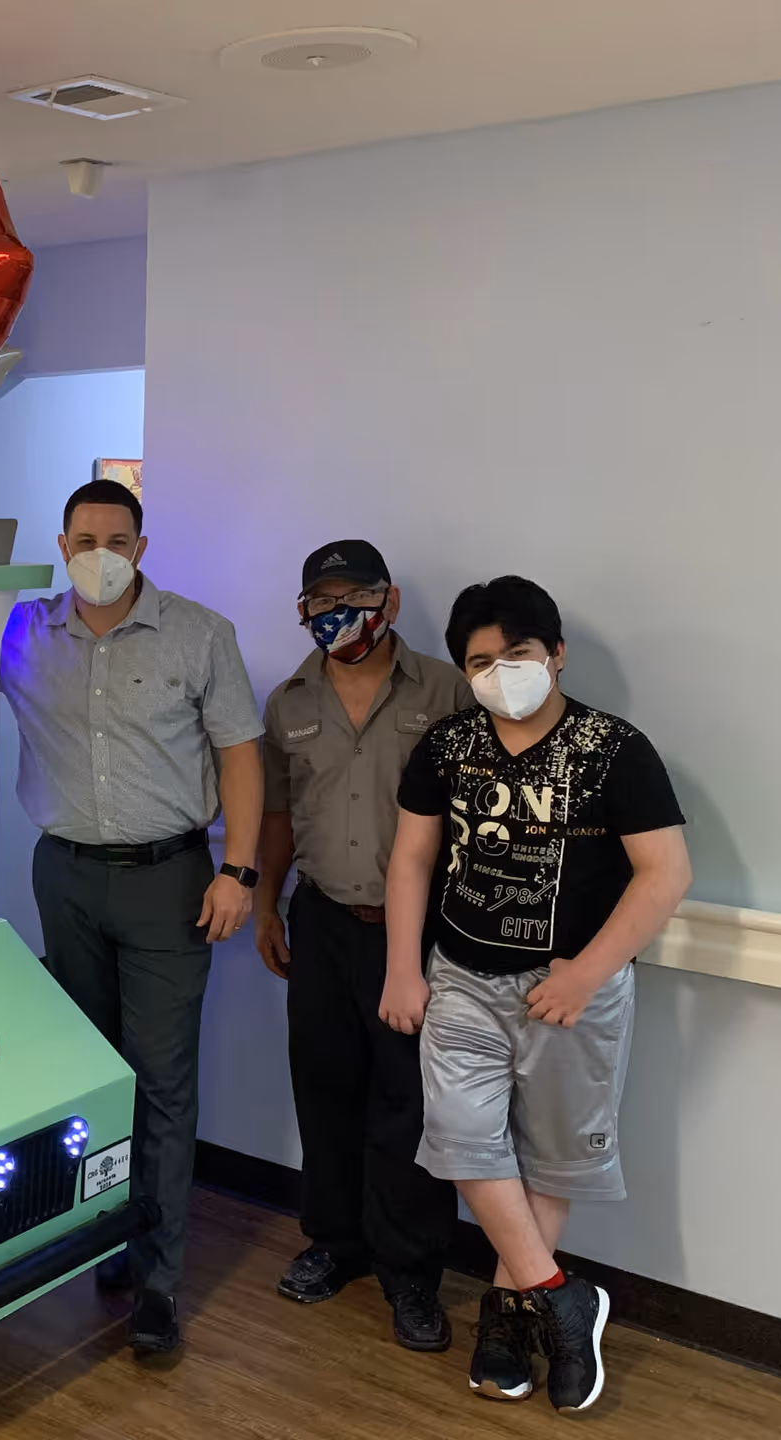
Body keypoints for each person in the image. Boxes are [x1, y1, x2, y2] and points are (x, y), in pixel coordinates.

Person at [381, 576, 690, 1414]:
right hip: (461, 978)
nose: (500, 673)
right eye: (480, 661)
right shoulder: (447, 746)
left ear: (555, 654)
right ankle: (560, 1296)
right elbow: (411, 860)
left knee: (550, 1158)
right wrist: (403, 968)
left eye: (516, 653)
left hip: (572, 988)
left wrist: (585, 973)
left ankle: (506, 1318)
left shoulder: (613, 749)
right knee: (459, 1136)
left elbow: (665, 874)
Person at [0, 479, 264, 1356]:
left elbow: (241, 756)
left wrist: (238, 871)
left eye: (117, 541)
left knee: (161, 1083)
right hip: (65, 877)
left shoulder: (199, 634)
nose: (101, 556)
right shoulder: (22, 633)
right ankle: (104, 1237)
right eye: (85, 541)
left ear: (142, 548)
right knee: (91, 1075)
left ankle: (157, 1279)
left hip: (170, 882)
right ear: (63, 546)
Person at [254, 540, 471, 1351]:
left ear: (391, 601)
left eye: (355, 596)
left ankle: (410, 1272)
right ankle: (335, 1243)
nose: (338, 613)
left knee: (409, 1104)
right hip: (320, 921)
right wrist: (268, 905)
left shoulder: (447, 692)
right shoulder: (289, 702)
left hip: (416, 932)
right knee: (324, 1088)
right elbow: (280, 811)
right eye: (322, 600)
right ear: (303, 608)